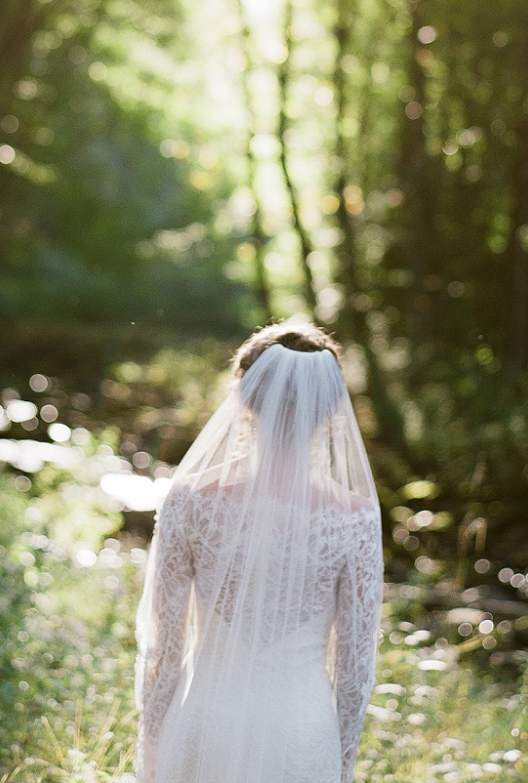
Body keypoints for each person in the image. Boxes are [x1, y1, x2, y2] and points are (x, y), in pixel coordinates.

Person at [135, 322, 384, 783]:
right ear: (330, 411)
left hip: (203, 725)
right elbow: (355, 671)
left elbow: (162, 650)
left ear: (245, 399)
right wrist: (342, 761)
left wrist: (151, 747)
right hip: (301, 736)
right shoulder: (356, 520)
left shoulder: (190, 501)